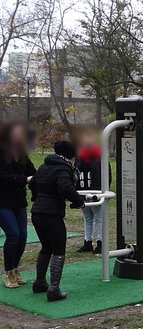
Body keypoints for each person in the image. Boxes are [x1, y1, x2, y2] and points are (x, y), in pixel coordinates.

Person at [30, 141, 85, 302]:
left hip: (37, 212)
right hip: (51, 214)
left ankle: (40, 282)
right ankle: (54, 289)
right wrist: (78, 201)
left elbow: (33, 183)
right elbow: (65, 187)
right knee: (58, 249)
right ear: (71, 155)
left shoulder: (45, 166)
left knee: (46, 247)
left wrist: (37, 197)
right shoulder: (63, 168)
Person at [0, 122, 36, 289]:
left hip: (18, 200)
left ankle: (15, 269)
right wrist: (24, 180)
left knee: (22, 236)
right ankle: (7, 272)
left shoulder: (21, 153)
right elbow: (3, 176)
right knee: (13, 234)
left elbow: (32, 171)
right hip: (2, 201)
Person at [76, 131, 109, 253]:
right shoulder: (80, 156)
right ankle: (87, 242)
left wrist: (103, 190)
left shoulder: (99, 156)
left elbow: (107, 173)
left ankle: (100, 242)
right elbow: (75, 172)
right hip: (83, 191)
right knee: (88, 218)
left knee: (99, 217)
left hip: (96, 192)